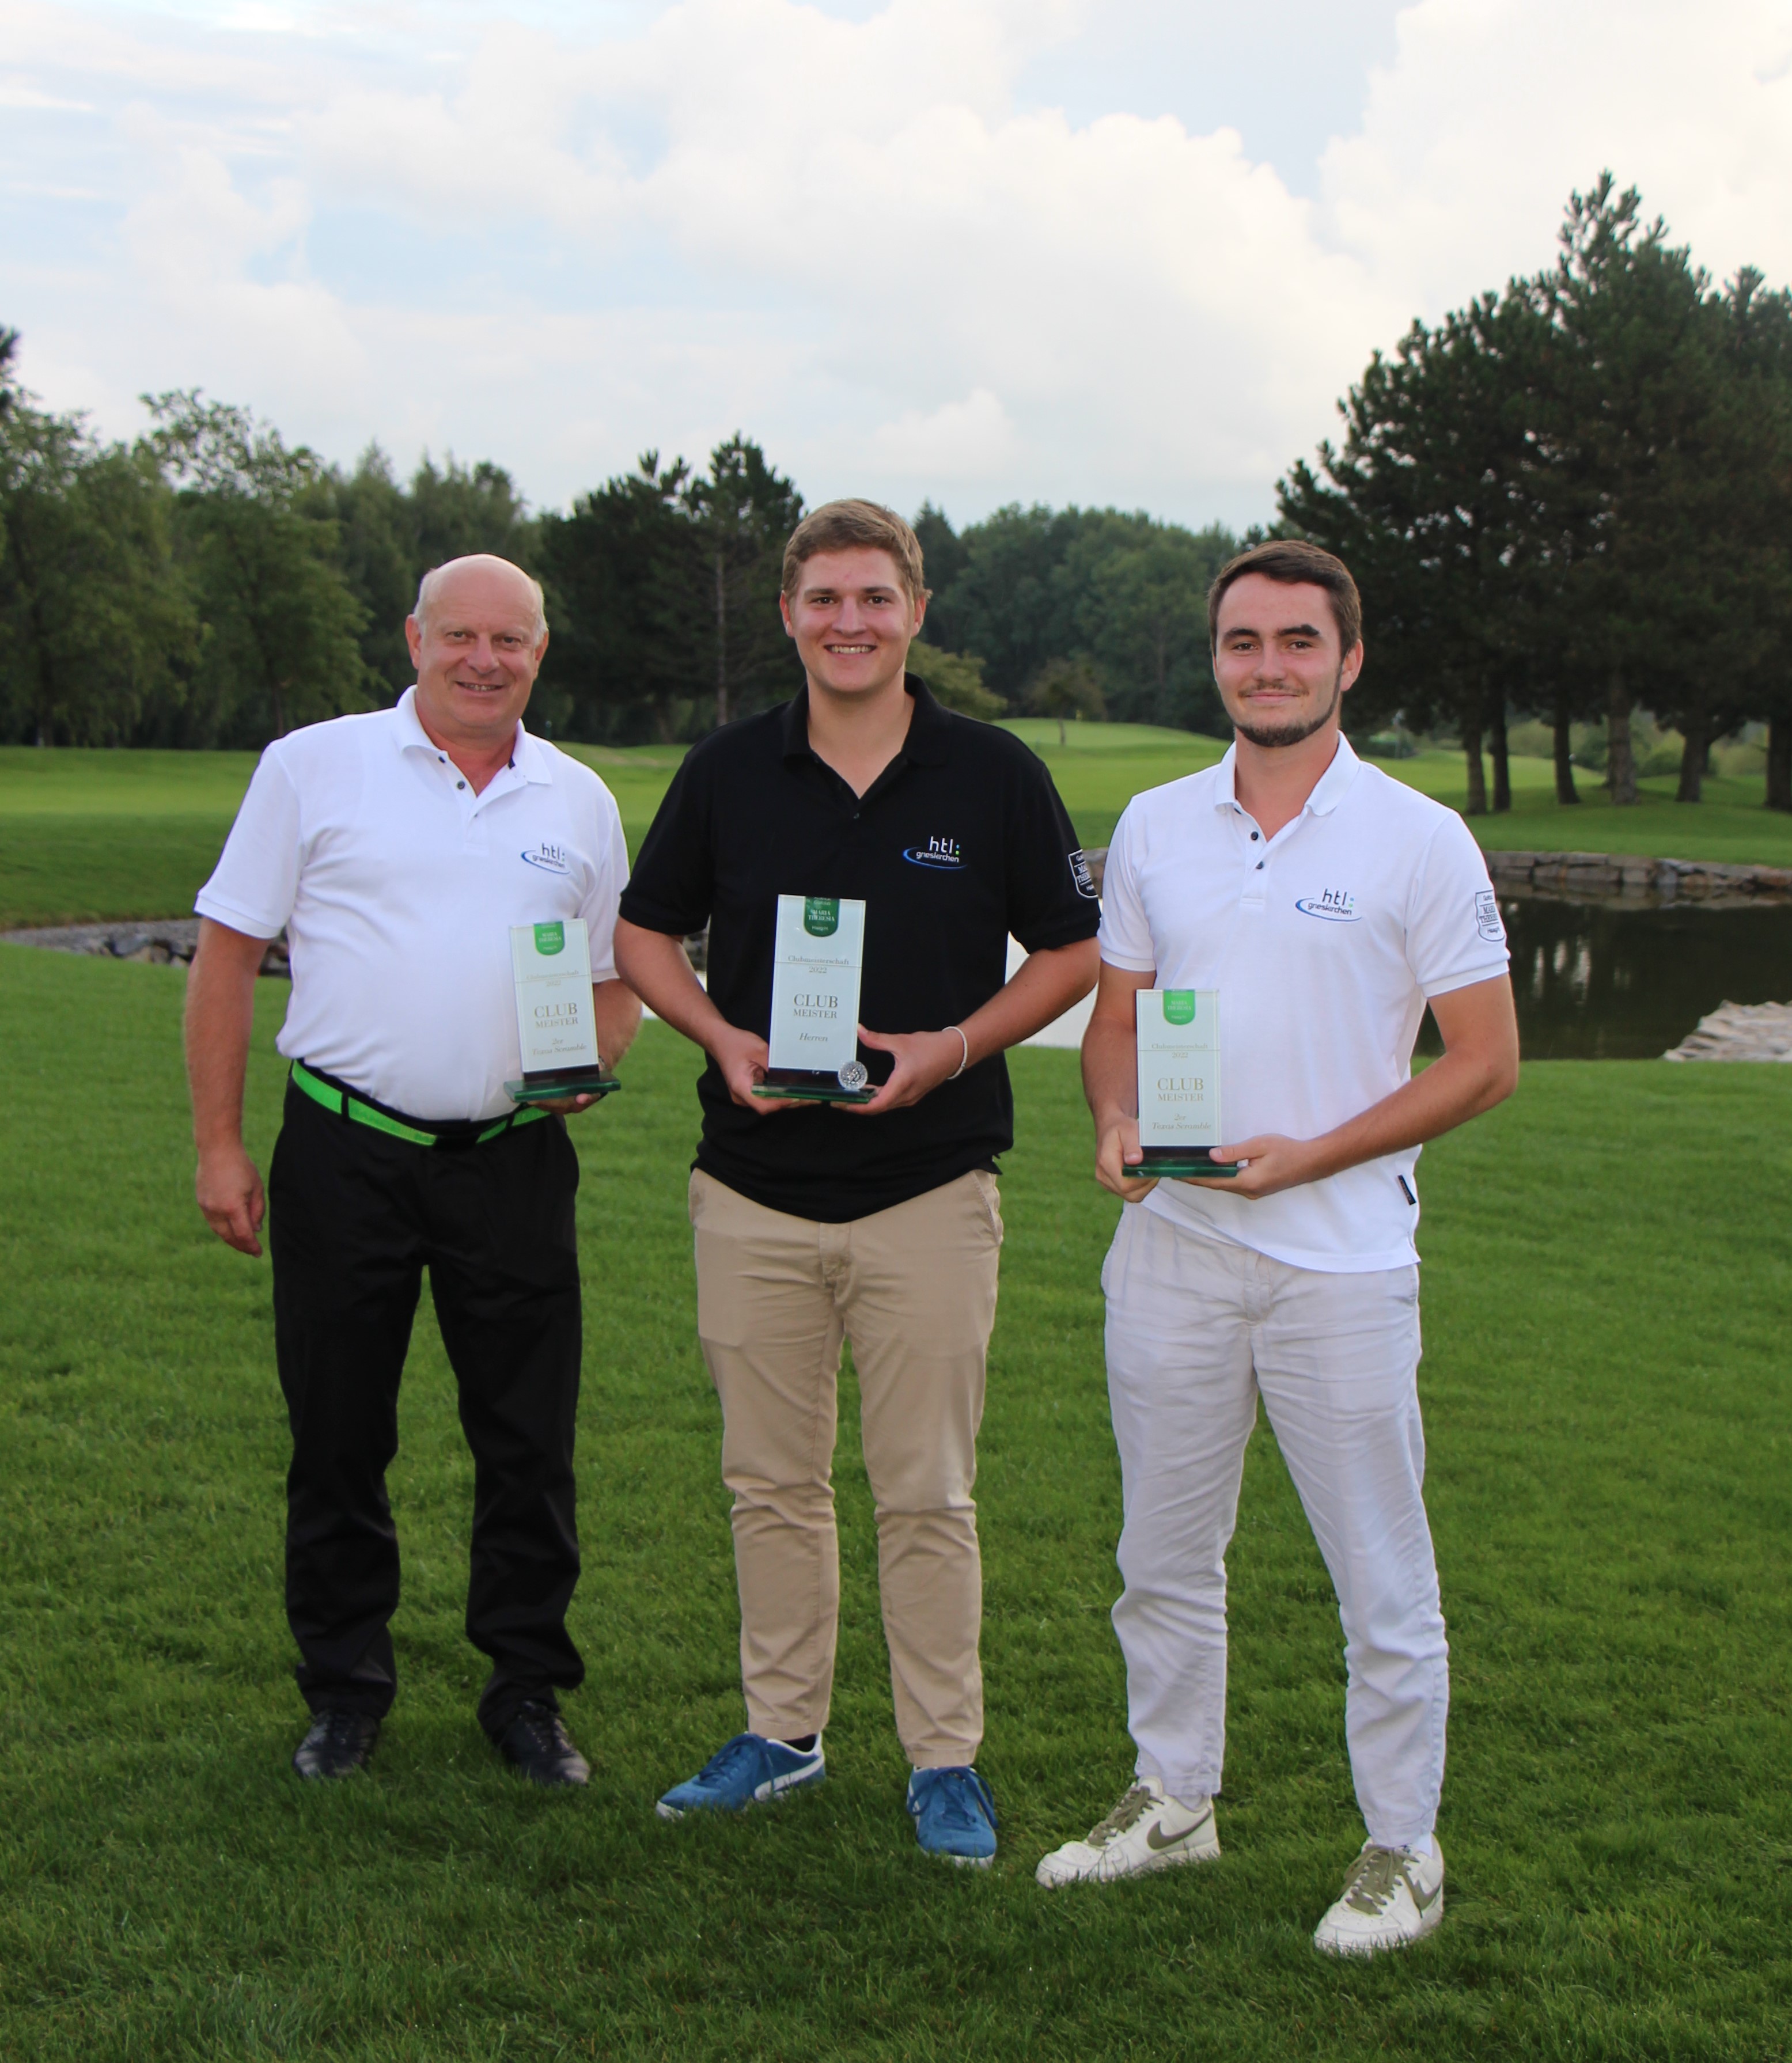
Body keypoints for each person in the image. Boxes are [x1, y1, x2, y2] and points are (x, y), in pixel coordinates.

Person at [1036, 540, 1517, 1952]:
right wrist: (1112, 1116)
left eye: (1297, 641)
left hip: (1341, 1263)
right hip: (1171, 1250)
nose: (1268, 666)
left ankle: (1401, 1848)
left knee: (1379, 1577)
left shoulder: (1417, 837)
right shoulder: (1153, 824)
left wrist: (1311, 1155)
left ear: (1346, 659)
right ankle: (1172, 1801)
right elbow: (1114, 1018)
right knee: (1161, 1557)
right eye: (1242, 642)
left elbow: (1483, 1061)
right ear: (1215, 661)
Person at [613, 500, 1100, 1864]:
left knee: (926, 1491)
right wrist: (717, 1037)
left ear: (915, 613)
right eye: (823, 598)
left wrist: (954, 1047)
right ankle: (782, 1735)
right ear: (788, 615)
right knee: (768, 1483)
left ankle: (944, 1758)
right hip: (752, 1192)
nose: (849, 622)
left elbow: (1069, 951)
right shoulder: (727, 770)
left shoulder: (990, 772)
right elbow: (644, 934)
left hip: (927, 1193)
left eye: (873, 598)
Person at [184, 553, 638, 1787]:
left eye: (511, 639)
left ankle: (526, 1691)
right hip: (345, 1152)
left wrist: (591, 1060)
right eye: (460, 636)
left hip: (512, 1160)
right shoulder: (313, 766)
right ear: (415, 639)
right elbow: (226, 956)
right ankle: (344, 1691)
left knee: (528, 1442)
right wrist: (220, 1145)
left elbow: (612, 980)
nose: (484, 660)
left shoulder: (577, 798)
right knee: (338, 1433)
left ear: (540, 651)